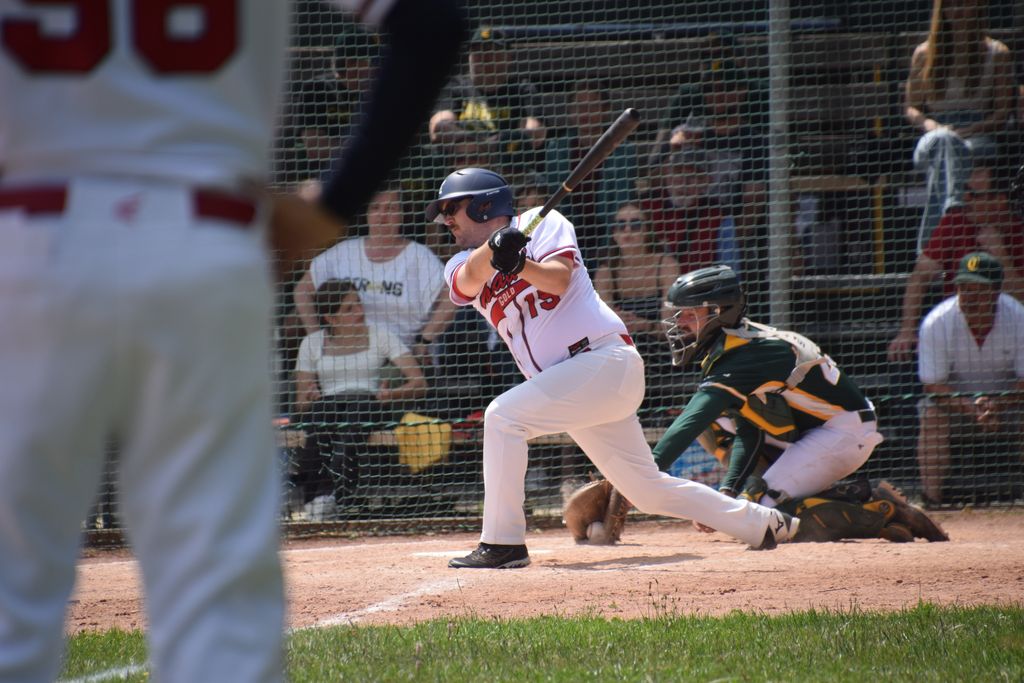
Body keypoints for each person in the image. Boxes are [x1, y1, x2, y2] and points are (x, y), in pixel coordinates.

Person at [0, 0, 467, 681]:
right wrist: (338, 201)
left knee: (12, 593)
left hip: (28, 247)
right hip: (202, 239)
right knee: (216, 606)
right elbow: (432, 24)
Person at [425, 167, 800, 569]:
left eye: (452, 209)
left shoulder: (544, 222)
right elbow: (468, 279)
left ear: (483, 206)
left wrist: (519, 264)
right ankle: (763, 523)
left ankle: (503, 544)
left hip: (602, 361)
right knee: (646, 490)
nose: (446, 219)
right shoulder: (459, 261)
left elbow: (558, 280)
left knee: (503, 417)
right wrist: (497, 249)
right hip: (572, 384)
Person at [652, 265, 884, 511]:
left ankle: (874, 506)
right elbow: (749, 429)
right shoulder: (735, 342)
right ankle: (819, 496)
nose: (680, 322)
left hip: (842, 433)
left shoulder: (746, 355)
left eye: (691, 314)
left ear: (719, 312)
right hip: (817, 431)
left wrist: (646, 472)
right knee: (717, 426)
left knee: (757, 513)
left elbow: (689, 423)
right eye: (679, 314)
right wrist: (729, 489)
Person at [292, 279, 426, 519]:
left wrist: (391, 394)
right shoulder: (311, 343)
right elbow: (301, 404)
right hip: (327, 406)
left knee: (354, 418)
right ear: (331, 318)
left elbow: (419, 383)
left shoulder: (380, 336)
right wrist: (310, 397)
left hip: (370, 403)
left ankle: (331, 496)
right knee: (320, 415)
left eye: (358, 304)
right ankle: (317, 500)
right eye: (349, 309)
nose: (359, 311)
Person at [294, 184, 457, 360]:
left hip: (400, 356)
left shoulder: (419, 257)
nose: (382, 215)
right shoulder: (345, 252)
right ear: (367, 213)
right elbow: (302, 291)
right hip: (345, 355)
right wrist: (316, 338)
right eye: (376, 207)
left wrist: (424, 339)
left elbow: (452, 296)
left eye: (390, 208)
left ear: (402, 214)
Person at [904, 0, 1016, 252]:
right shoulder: (923, 53)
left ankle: (932, 245)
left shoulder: (997, 52)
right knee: (945, 144)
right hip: (935, 135)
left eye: (964, 4)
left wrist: (969, 130)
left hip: (978, 134)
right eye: (951, 5)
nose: (957, 11)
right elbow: (911, 108)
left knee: (953, 153)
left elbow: (1002, 112)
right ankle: (952, 209)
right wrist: (933, 126)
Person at [888, 161, 1024, 362]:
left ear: (999, 200)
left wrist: (1000, 254)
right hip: (956, 330)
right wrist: (907, 330)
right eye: (965, 190)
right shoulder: (955, 222)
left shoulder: (1018, 232)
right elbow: (920, 276)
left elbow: (1022, 299)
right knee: (904, 354)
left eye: (974, 194)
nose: (965, 198)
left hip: (1009, 334)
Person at [916, 251, 1024, 506]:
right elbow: (932, 385)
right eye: (964, 289)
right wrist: (970, 407)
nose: (970, 298)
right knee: (931, 416)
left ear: (996, 292)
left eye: (979, 290)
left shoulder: (1018, 317)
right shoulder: (937, 322)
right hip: (954, 408)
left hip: (1011, 406)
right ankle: (931, 502)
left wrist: (997, 405)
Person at [429, 27, 547, 180]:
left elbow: (536, 133)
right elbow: (438, 128)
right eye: (477, 50)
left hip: (511, 175)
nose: (484, 56)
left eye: (491, 50)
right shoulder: (456, 87)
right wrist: (488, 144)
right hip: (463, 174)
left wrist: (472, 143)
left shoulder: (522, 89)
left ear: (508, 56)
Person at [592, 202, 679, 410]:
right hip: (622, 347)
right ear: (614, 234)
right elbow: (603, 327)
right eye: (621, 225)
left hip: (660, 350)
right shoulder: (606, 271)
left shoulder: (666, 265)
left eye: (636, 224)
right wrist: (621, 325)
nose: (628, 230)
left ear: (647, 230)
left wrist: (643, 325)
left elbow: (671, 327)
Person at [544, 83, 638, 268]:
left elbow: (621, 199)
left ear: (605, 109)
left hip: (608, 233)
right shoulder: (557, 148)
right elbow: (554, 198)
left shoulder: (623, 150)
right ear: (571, 111)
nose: (585, 111)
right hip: (568, 230)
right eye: (579, 106)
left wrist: (610, 244)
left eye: (593, 105)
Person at [642, 148, 737, 274]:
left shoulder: (719, 216)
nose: (684, 182)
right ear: (667, 175)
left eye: (693, 176)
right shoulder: (645, 207)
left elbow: (729, 270)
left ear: (706, 182)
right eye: (678, 173)